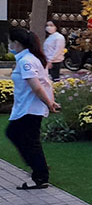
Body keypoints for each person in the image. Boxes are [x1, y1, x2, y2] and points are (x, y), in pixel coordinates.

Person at [6, 28, 60, 190]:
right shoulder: (29, 58)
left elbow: (37, 87)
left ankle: (40, 175)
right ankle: (38, 167)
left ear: (17, 43)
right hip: (27, 107)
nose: (9, 45)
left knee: (25, 139)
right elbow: (45, 82)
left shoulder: (26, 61)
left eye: (10, 42)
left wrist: (49, 103)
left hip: (30, 108)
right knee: (19, 136)